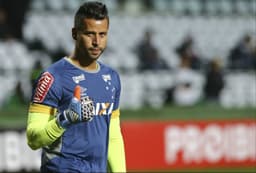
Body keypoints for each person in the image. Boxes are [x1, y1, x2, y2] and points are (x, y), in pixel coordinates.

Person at [26, 1, 126, 173]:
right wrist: (65, 120)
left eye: (102, 34)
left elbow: (113, 136)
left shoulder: (112, 78)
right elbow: (33, 138)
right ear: (75, 33)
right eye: (89, 34)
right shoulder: (52, 77)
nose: (96, 42)